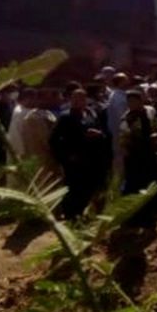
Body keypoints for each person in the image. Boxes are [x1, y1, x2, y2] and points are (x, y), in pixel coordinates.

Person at [51, 89, 106, 219]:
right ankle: (71, 215)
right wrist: (65, 156)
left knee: (89, 187)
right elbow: (53, 139)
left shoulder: (91, 113)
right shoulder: (65, 117)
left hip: (91, 158)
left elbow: (101, 130)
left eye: (80, 99)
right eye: (74, 99)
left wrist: (98, 135)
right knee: (74, 188)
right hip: (74, 160)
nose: (77, 102)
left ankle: (83, 212)